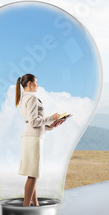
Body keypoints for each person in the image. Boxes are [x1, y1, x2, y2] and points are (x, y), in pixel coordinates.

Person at [14, 74, 66, 206]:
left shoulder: (24, 98)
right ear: (30, 83)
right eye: (36, 82)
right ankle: (26, 208)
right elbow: (33, 122)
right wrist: (52, 117)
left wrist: (52, 125)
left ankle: (35, 205)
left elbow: (35, 123)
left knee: (33, 174)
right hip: (33, 137)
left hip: (31, 136)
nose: (38, 85)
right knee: (33, 175)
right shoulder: (31, 97)